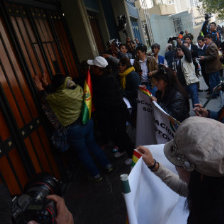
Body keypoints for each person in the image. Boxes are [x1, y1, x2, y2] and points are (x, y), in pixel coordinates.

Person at [138, 116, 224, 224]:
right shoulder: (212, 188)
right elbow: (187, 189)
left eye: (179, 162)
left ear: (200, 175)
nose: (176, 167)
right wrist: (154, 165)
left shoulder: (212, 217)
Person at [34, 73, 112, 181]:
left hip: (75, 129)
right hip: (87, 122)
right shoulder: (78, 89)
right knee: (93, 145)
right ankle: (108, 166)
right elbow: (58, 92)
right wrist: (47, 85)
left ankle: (96, 175)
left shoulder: (59, 97)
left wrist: (40, 88)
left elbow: (46, 98)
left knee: (83, 153)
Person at [88, 56, 134, 164]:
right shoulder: (101, 78)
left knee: (121, 133)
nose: (91, 69)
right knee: (115, 133)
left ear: (98, 68)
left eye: (93, 67)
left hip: (117, 112)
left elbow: (111, 100)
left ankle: (132, 154)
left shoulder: (108, 80)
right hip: (110, 113)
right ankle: (122, 149)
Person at [175, 41, 199, 107]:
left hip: (191, 83)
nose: (178, 51)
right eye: (177, 50)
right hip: (183, 85)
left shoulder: (187, 58)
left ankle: (199, 115)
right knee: (184, 100)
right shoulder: (177, 60)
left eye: (180, 50)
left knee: (195, 101)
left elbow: (187, 52)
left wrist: (181, 45)